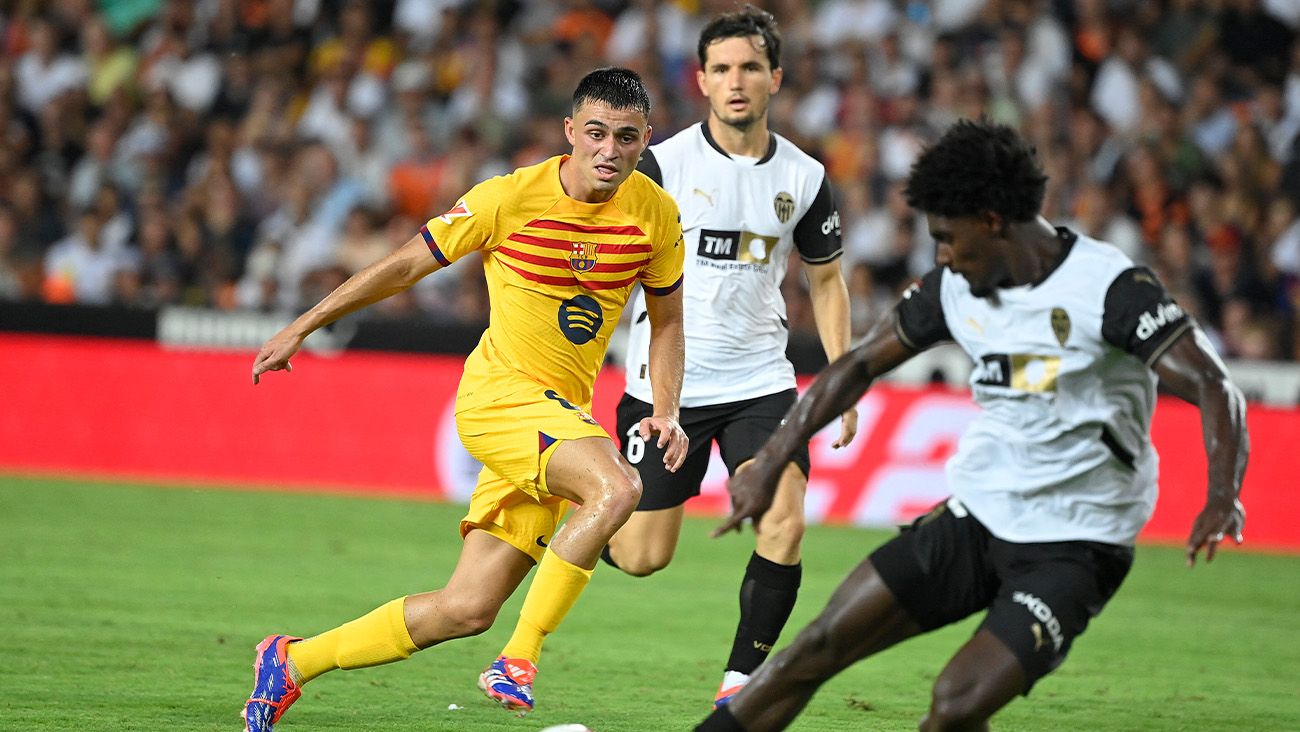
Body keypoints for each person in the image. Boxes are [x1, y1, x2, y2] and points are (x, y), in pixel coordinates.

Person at [696, 119, 1249, 731]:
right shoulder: (954, 287)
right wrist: (771, 461)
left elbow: (1213, 384)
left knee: (954, 706)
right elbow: (856, 366)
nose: (942, 257)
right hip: (980, 514)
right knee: (817, 645)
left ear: (991, 219)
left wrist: (1222, 495)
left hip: (1075, 543)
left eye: (948, 238)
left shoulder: (1109, 289)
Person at [242, 67, 687, 731]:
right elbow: (403, 265)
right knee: (617, 489)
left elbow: (670, 319)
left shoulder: (654, 212)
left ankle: (293, 662)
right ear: (570, 133)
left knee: (466, 607)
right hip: (500, 399)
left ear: (645, 138)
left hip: (560, 415)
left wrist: (667, 406)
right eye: (595, 133)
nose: (609, 150)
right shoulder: (507, 198)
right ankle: (520, 658)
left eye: (626, 137)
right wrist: (305, 323)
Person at [601, 6, 856, 707]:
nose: (735, 80)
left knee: (785, 517)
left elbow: (827, 281)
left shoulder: (804, 177)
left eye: (749, 67)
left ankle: (740, 686)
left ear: (775, 77)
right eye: (721, 69)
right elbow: (608, 264)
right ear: (703, 81)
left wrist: (843, 376)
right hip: (667, 393)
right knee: (642, 556)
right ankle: (580, 500)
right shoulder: (660, 164)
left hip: (761, 384)